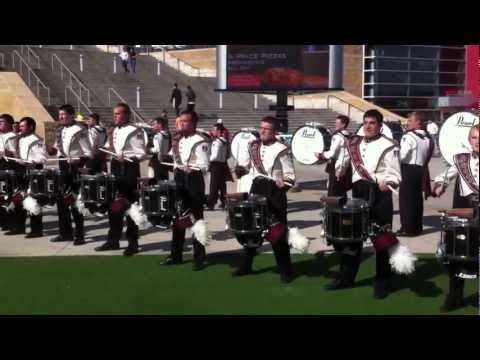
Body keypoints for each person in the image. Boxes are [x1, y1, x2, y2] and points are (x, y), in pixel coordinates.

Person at [333, 109, 402, 299]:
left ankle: (382, 281)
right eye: (366, 122)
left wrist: (386, 182)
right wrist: (341, 168)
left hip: (379, 194)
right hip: (358, 192)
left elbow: (395, 173)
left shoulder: (389, 146)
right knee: (352, 238)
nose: (368, 126)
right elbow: (346, 158)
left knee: (381, 240)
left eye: (372, 123)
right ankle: (345, 278)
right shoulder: (354, 142)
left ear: (380, 125)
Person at [233, 116, 296, 284]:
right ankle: (246, 265)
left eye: (266, 128)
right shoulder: (253, 145)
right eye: (261, 127)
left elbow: (290, 176)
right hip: (256, 188)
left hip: (274, 192)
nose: (262, 131)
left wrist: (284, 183)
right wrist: (240, 169)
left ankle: (286, 270)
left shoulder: (282, 149)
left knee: (277, 233)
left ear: (274, 131)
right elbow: (246, 166)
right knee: (252, 229)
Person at [432, 125, 479, 311]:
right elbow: (444, 176)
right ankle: (455, 296)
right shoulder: (461, 160)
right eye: (474, 137)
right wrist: (439, 185)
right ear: (470, 141)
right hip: (464, 213)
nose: (478, 141)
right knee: (457, 255)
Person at [95, 103, 148, 256]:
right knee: (114, 206)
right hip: (116, 166)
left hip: (129, 169)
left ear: (126, 115)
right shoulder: (114, 130)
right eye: (114, 114)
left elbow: (141, 153)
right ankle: (113, 240)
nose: (115, 117)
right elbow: (110, 146)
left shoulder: (135, 131)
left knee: (130, 207)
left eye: (118, 114)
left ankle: (133, 243)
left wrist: (127, 156)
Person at [162, 110, 210, 271]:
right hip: (179, 178)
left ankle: (200, 258)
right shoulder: (177, 139)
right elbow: (172, 157)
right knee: (178, 218)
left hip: (194, 180)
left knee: (196, 219)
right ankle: (175, 255)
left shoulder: (200, 140)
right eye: (180, 121)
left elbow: (204, 165)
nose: (181, 124)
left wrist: (193, 169)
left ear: (193, 123)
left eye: (185, 121)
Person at [47, 104, 93, 245]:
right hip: (62, 167)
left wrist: (78, 160)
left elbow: (89, 152)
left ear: (71, 115)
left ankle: (79, 235)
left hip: (75, 169)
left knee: (75, 203)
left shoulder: (80, 130)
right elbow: (56, 150)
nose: (60, 117)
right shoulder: (60, 130)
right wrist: (50, 150)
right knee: (61, 202)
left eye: (63, 114)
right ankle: (64, 233)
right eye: (59, 114)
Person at [4, 117, 47, 238]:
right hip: (20, 172)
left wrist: (28, 162)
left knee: (33, 201)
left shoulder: (37, 140)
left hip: (32, 173)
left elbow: (42, 158)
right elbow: (17, 153)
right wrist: (9, 154)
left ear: (31, 127)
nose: (19, 128)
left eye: (22, 126)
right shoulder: (20, 138)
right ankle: (19, 227)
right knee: (18, 199)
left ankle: (36, 230)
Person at [397, 111, 434, 237]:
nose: (408, 123)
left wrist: (393, 157)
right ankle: (417, 227)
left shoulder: (408, 136)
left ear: (418, 122)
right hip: (421, 170)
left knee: (406, 201)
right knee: (417, 200)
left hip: (408, 170)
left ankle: (407, 228)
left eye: (410, 121)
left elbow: (403, 156)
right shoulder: (427, 137)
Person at [315, 115, 352, 197]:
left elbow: (331, 153)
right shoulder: (350, 135)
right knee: (342, 191)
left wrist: (321, 155)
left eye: (337, 123)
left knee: (333, 190)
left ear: (343, 125)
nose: (335, 124)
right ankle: (341, 207)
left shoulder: (338, 137)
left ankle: (332, 209)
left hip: (337, 166)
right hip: (346, 166)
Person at [207, 122, 232, 210]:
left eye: (214, 130)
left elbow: (215, 156)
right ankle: (224, 202)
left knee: (213, 185)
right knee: (222, 185)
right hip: (223, 164)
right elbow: (229, 155)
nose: (212, 132)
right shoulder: (226, 141)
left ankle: (211, 203)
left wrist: (207, 160)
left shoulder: (216, 142)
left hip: (215, 165)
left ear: (218, 131)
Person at [0, 114, 18, 231]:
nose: (0, 124)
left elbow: (16, 153)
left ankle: (11, 222)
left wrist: (7, 153)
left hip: (8, 167)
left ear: (9, 124)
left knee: (8, 195)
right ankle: (3, 220)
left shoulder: (13, 137)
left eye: (2, 122)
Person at [148, 116, 171, 181]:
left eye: (154, 124)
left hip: (157, 160)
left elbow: (157, 149)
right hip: (165, 159)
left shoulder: (158, 135)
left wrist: (149, 149)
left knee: (157, 179)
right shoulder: (167, 134)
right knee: (165, 179)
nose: (153, 126)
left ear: (159, 125)